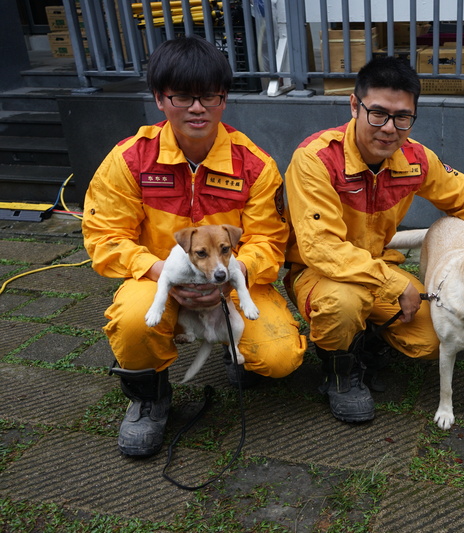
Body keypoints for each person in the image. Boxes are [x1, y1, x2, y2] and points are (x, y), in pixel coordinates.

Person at [82, 36, 307, 457]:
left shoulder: (254, 165)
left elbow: (269, 241)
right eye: (183, 96)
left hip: (228, 279)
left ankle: (231, 348)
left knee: (279, 356)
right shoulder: (129, 160)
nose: (197, 108)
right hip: (158, 279)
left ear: (224, 100)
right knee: (134, 320)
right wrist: (155, 271)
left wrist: (226, 279)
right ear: (159, 100)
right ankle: (150, 396)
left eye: (210, 96)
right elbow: (105, 237)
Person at [283, 56, 464, 423]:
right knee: (343, 301)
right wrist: (392, 284)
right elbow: (321, 248)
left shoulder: (416, 158)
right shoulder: (316, 159)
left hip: (379, 264)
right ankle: (340, 375)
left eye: (402, 117)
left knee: (433, 341)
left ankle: (369, 336)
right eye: (378, 114)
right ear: (355, 105)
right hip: (318, 272)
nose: (389, 128)